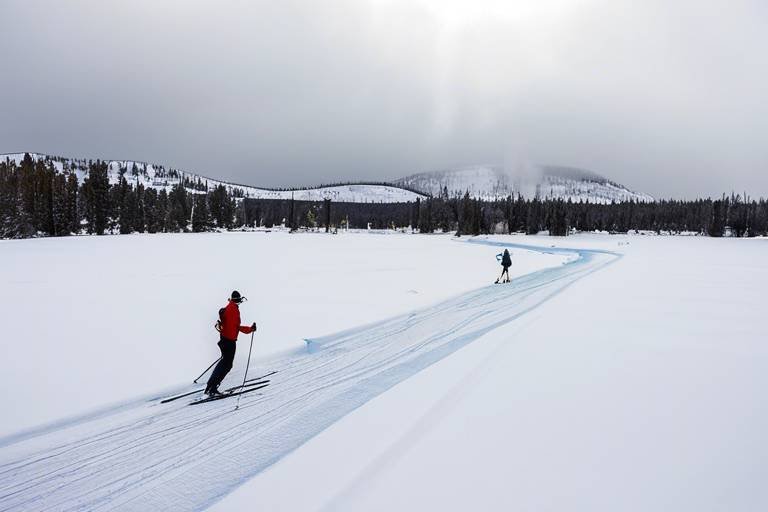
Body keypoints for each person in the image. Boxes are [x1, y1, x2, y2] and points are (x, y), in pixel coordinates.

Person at [205, 290, 257, 396]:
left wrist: (249, 329)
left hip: (225, 339)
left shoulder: (230, 306)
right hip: (229, 341)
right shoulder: (233, 310)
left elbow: (234, 326)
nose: (240, 302)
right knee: (227, 364)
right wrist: (250, 329)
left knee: (225, 362)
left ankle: (211, 386)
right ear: (237, 300)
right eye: (239, 300)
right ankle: (212, 388)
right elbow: (237, 327)